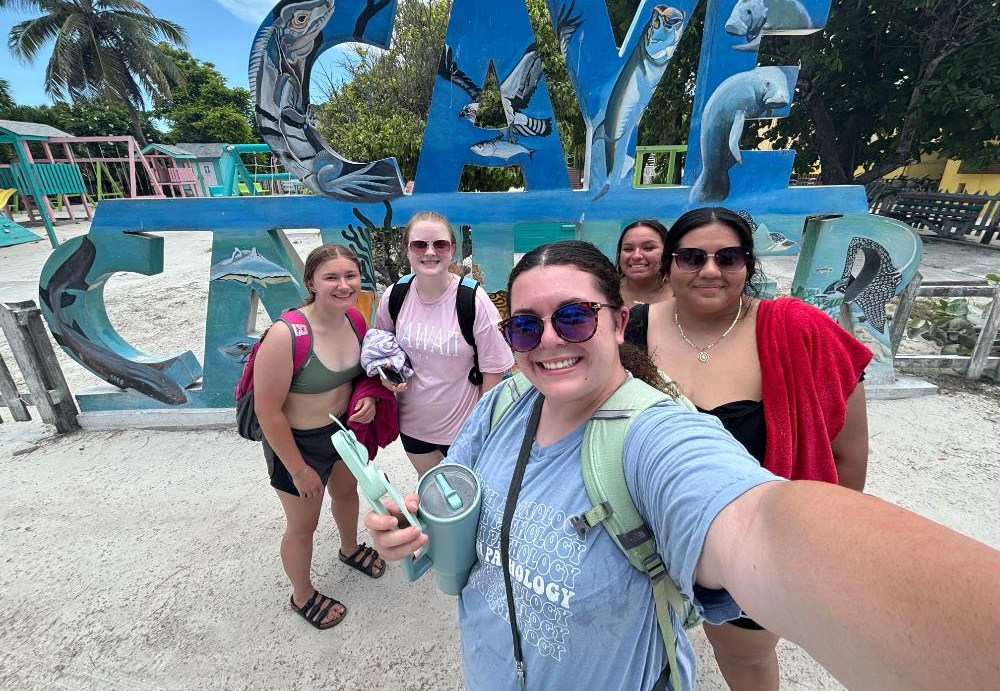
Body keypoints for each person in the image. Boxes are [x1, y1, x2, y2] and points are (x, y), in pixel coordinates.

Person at [364, 240, 1000, 691]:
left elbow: (757, 524)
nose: (550, 340)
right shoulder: (504, 403)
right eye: (526, 328)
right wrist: (412, 526)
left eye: (574, 317)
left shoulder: (655, 437)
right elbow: (458, 500)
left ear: (619, 323)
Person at [624, 207, 871, 689]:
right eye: (691, 257)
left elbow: (846, 455)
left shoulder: (797, 330)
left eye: (728, 258)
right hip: (644, 536)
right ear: (669, 264)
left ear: (748, 265)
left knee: (745, 656)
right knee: (640, 647)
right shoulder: (630, 329)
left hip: (755, 545)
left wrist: (818, 545)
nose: (709, 270)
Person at [253, 244, 386, 630]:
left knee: (347, 493)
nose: (344, 285)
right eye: (331, 277)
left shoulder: (355, 319)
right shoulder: (286, 335)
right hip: (298, 444)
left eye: (350, 276)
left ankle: (349, 548)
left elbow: (360, 377)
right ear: (311, 282)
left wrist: (367, 401)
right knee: (302, 526)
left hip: (341, 433)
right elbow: (267, 411)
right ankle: (302, 595)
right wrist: (297, 469)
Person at [374, 211, 514, 478]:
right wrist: (386, 375)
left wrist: (484, 430)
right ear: (407, 250)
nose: (430, 252)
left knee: (467, 499)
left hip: (464, 432)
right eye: (419, 245)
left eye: (439, 244)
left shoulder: (473, 301)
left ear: (452, 250)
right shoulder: (395, 296)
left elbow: (494, 371)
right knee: (432, 495)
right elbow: (382, 348)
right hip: (412, 427)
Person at [617, 219, 672, 307]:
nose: (636, 256)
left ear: (666, 251)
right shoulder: (604, 290)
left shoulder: (681, 293)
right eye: (628, 249)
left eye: (648, 248)